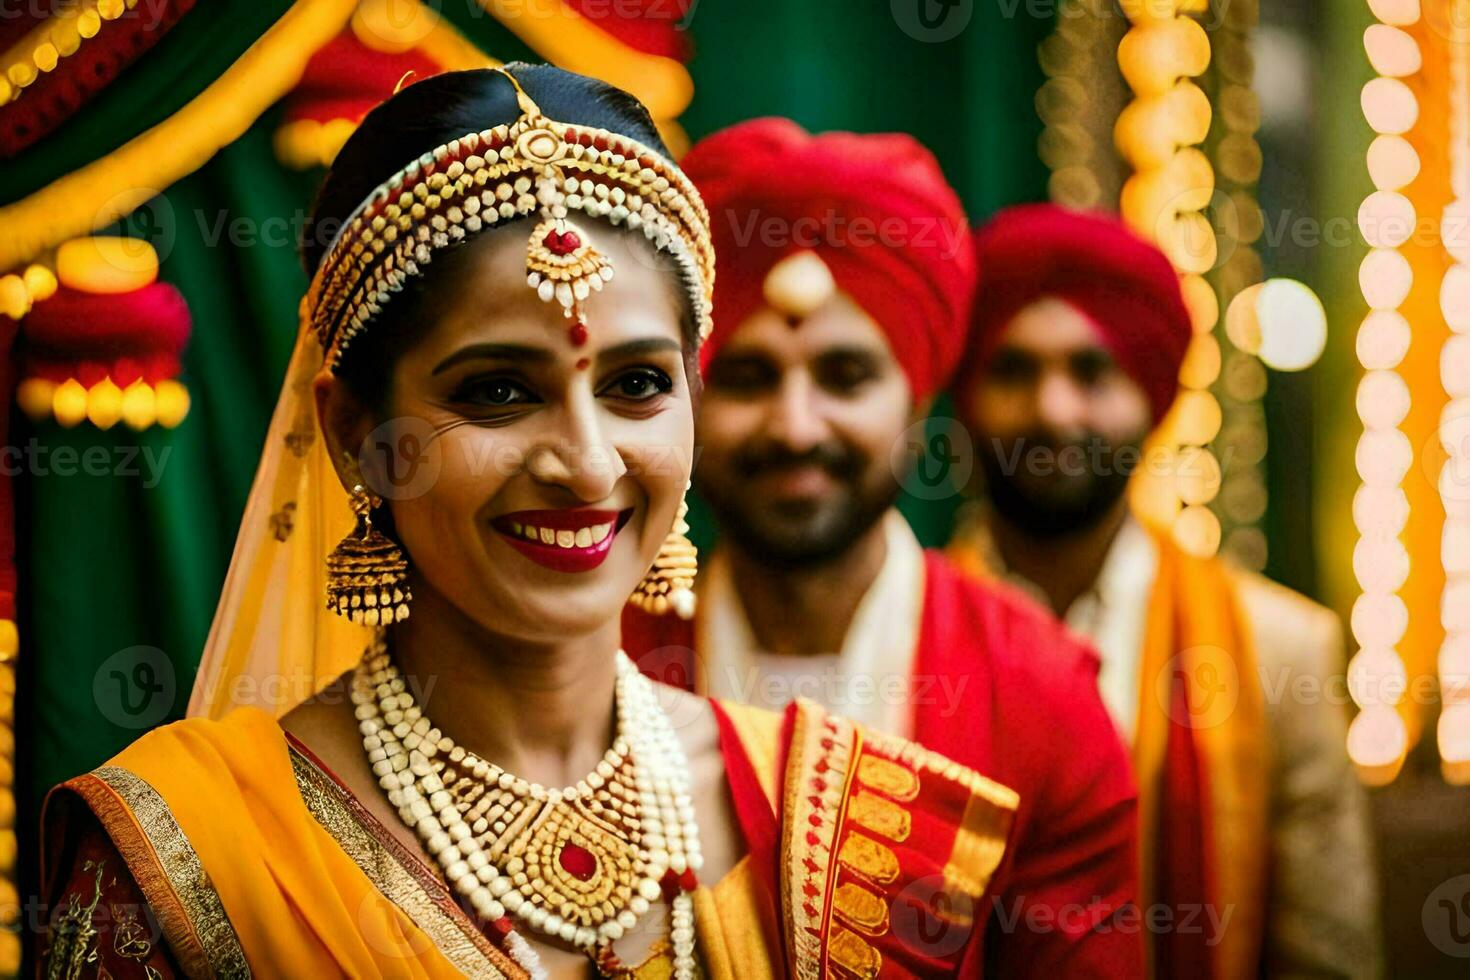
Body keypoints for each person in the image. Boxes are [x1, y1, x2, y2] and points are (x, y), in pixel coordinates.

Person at [38, 67, 1028, 978]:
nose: (588, 462)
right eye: (500, 390)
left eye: (638, 383)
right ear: (357, 434)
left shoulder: (857, 832)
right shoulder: (190, 858)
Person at [622, 118, 1143, 974]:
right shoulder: (601, 667)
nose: (796, 427)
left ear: (917, 400)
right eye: (749, 378)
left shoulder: (1042, 696)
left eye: (845, 376)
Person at [948, 203, 1382, 978]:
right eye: (1015, 369)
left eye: (1092, 371)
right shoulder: (896, 633)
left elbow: (1329, 960)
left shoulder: (1280, 647)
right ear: (966, 393)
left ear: (1152, 393)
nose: (1054, 410)